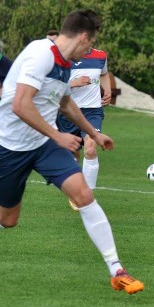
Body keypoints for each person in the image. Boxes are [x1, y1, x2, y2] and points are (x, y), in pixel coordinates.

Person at [0, 9, 144, 295]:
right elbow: (21, 104)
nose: (90, 50)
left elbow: (66, 102)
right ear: (83, 37)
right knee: (9, 218)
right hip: (7, 146)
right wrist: (57, 135)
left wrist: (94, 133)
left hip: (41, 145)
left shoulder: (66, 63)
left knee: (83, 195)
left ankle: (116, 270)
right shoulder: (40, 54)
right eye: (90, 43)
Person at [56, 47, 112, 209]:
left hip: (92, 111)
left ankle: (87, 197)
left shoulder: (100, 55)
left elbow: (103, 74)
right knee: (73, 154)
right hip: (69, 111)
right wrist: (74, 83)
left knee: (90, 149)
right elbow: (53, 84)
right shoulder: (64, 56)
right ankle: (76, 188)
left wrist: (107, 90)